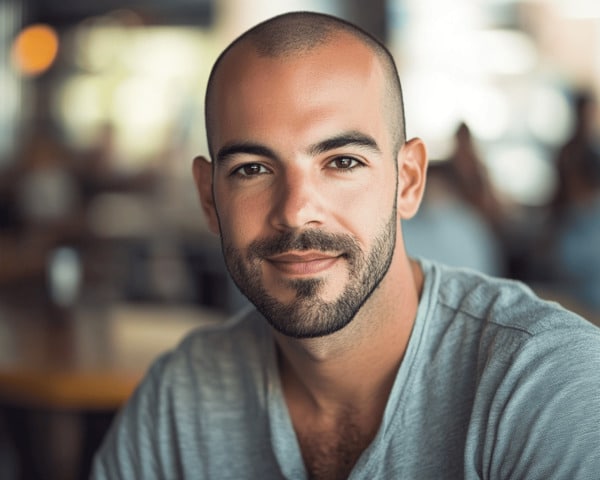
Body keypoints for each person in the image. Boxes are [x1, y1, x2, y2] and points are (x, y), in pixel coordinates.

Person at [91, 11, 600, 479]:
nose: (294, 210)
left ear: (408, 181)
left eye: (342, 162)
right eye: (252, 170)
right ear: (209, 198)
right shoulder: (178, 400)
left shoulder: (546, 386)